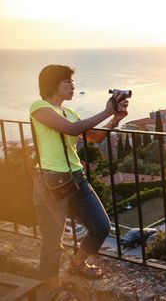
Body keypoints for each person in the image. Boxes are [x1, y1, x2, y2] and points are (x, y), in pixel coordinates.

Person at [30, 65, 129, 301]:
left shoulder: (70, 112)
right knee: (53, 240)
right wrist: (106, 111)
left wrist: (115, 118)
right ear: (53, 84)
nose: (73, 86)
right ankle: (52, 287)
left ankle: (76, 265)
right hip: (50, 181)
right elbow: (71, 130)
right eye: (68, 82)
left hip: (76, 176)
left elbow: (94, 137)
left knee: (101, 226)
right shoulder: (40, 108)